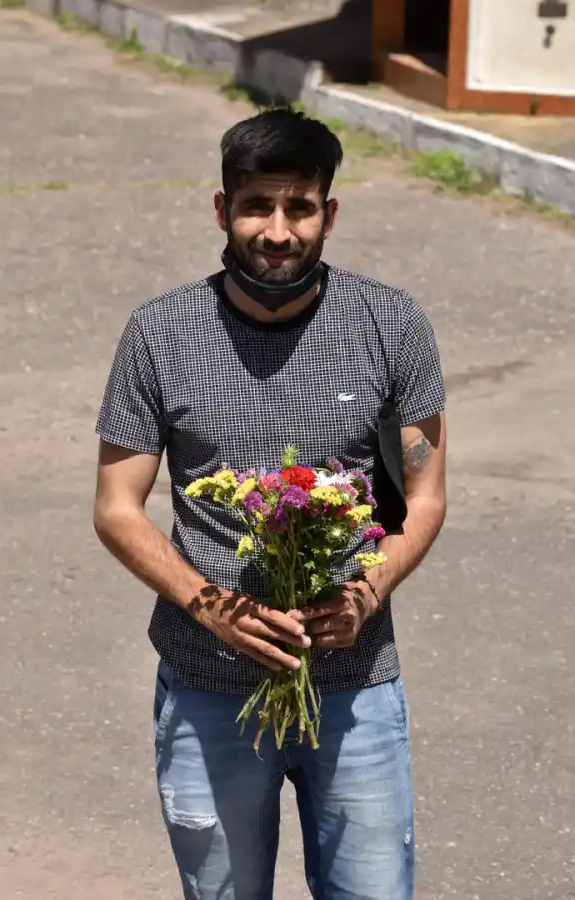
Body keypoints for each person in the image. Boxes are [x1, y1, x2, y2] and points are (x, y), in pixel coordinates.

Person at [93, 107, 447, 900]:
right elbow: (117, 505)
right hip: (209, 686)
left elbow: (424, 496)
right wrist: (209, 604)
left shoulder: (391, 324)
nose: (278, 230)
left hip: (356, 685)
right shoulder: (161, 333)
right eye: (257, 205)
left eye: (300, 206)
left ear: (329, 212)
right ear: (223, 210)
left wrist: (368, 591)